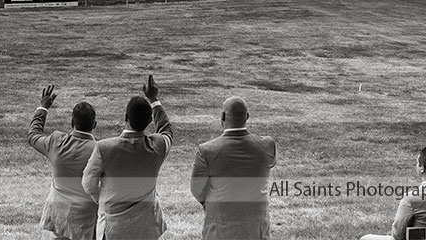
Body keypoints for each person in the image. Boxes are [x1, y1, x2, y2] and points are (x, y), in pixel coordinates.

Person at [81, 74, 173, 240]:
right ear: (149, 121)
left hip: (114, 228)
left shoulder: (104, 148)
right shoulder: (158, 146)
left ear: (125, 118)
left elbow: (88, 183)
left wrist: (103, 198)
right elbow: (166, 129)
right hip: (147, 227)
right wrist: (153, 99)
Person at [190, 96, 277, 240]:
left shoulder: (207, 150)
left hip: (220, 229)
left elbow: (197, 189)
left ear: (222, 117)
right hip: (257, 229)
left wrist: (211, 204)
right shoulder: (267, 145)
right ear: (247, 116)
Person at [28, 84, 99, 240]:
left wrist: (43, 107)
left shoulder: (56, 142)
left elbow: (33, 135)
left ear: (72, 122)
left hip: (59, 216)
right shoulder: (100, 150)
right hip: (87, 219)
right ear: (94, 125)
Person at [360, 146, 426, 240]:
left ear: (422, 168)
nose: (416, 166)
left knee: (365, 238)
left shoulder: (411, 199)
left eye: (417, 163)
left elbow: (397, 234)